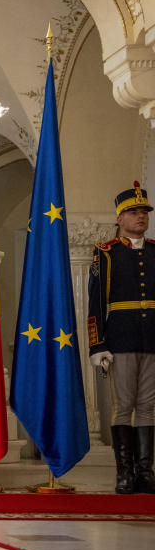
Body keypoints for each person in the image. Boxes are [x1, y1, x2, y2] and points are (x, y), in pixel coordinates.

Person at [89, 181, 155, 495]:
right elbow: (95, 304)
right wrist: (98, 344)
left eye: (144, 211)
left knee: (147, 406)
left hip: (152, 338)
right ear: (120, 218)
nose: (140, 217)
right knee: (124, 406)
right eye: (133, 212)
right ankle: (125, 473)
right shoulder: (107, 254)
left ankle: (145, 472)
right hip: (122, 338)